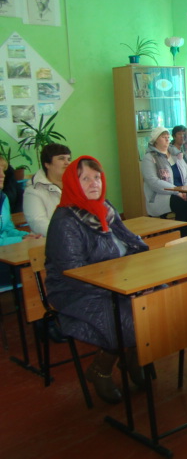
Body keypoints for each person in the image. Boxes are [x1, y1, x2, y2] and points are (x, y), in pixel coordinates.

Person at [45, 156, 149, 404]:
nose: (94, 183)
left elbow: (132, 241)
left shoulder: (106, 208)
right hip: (76, 290)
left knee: (158, 297)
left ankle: (132, 357)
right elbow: (74, 273)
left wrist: (141, 275)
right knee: (127, 315)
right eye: (85, 179)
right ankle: (100, 369)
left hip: (119, 281)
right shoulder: (65, 221)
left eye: (97, 177)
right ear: (73, 184)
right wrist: (121, 288)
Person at [141, 127, 187, 232]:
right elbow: (153, 182)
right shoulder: (149, 158)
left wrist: (186, 189)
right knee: (181, 204)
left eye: (168, 137)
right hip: (161, 196)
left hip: (182, 192)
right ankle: (183, 235)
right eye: (163, 137)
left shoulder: (176, 154)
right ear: (155, 140)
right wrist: (177, 192)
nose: (167, 139)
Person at [23, 143, 72, 236]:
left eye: (69, 159)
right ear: (47, 164)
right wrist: (68, 234)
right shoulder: (33, 191)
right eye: (61, 158)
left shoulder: (77, 186)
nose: (67, 163)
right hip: (48, 241)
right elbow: (38, 223)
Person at [0, 156, 40, 245]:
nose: (3, 175)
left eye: (3, 171)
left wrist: (26, 235)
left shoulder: (3, 198)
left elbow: (8, 230)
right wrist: (19, 240)